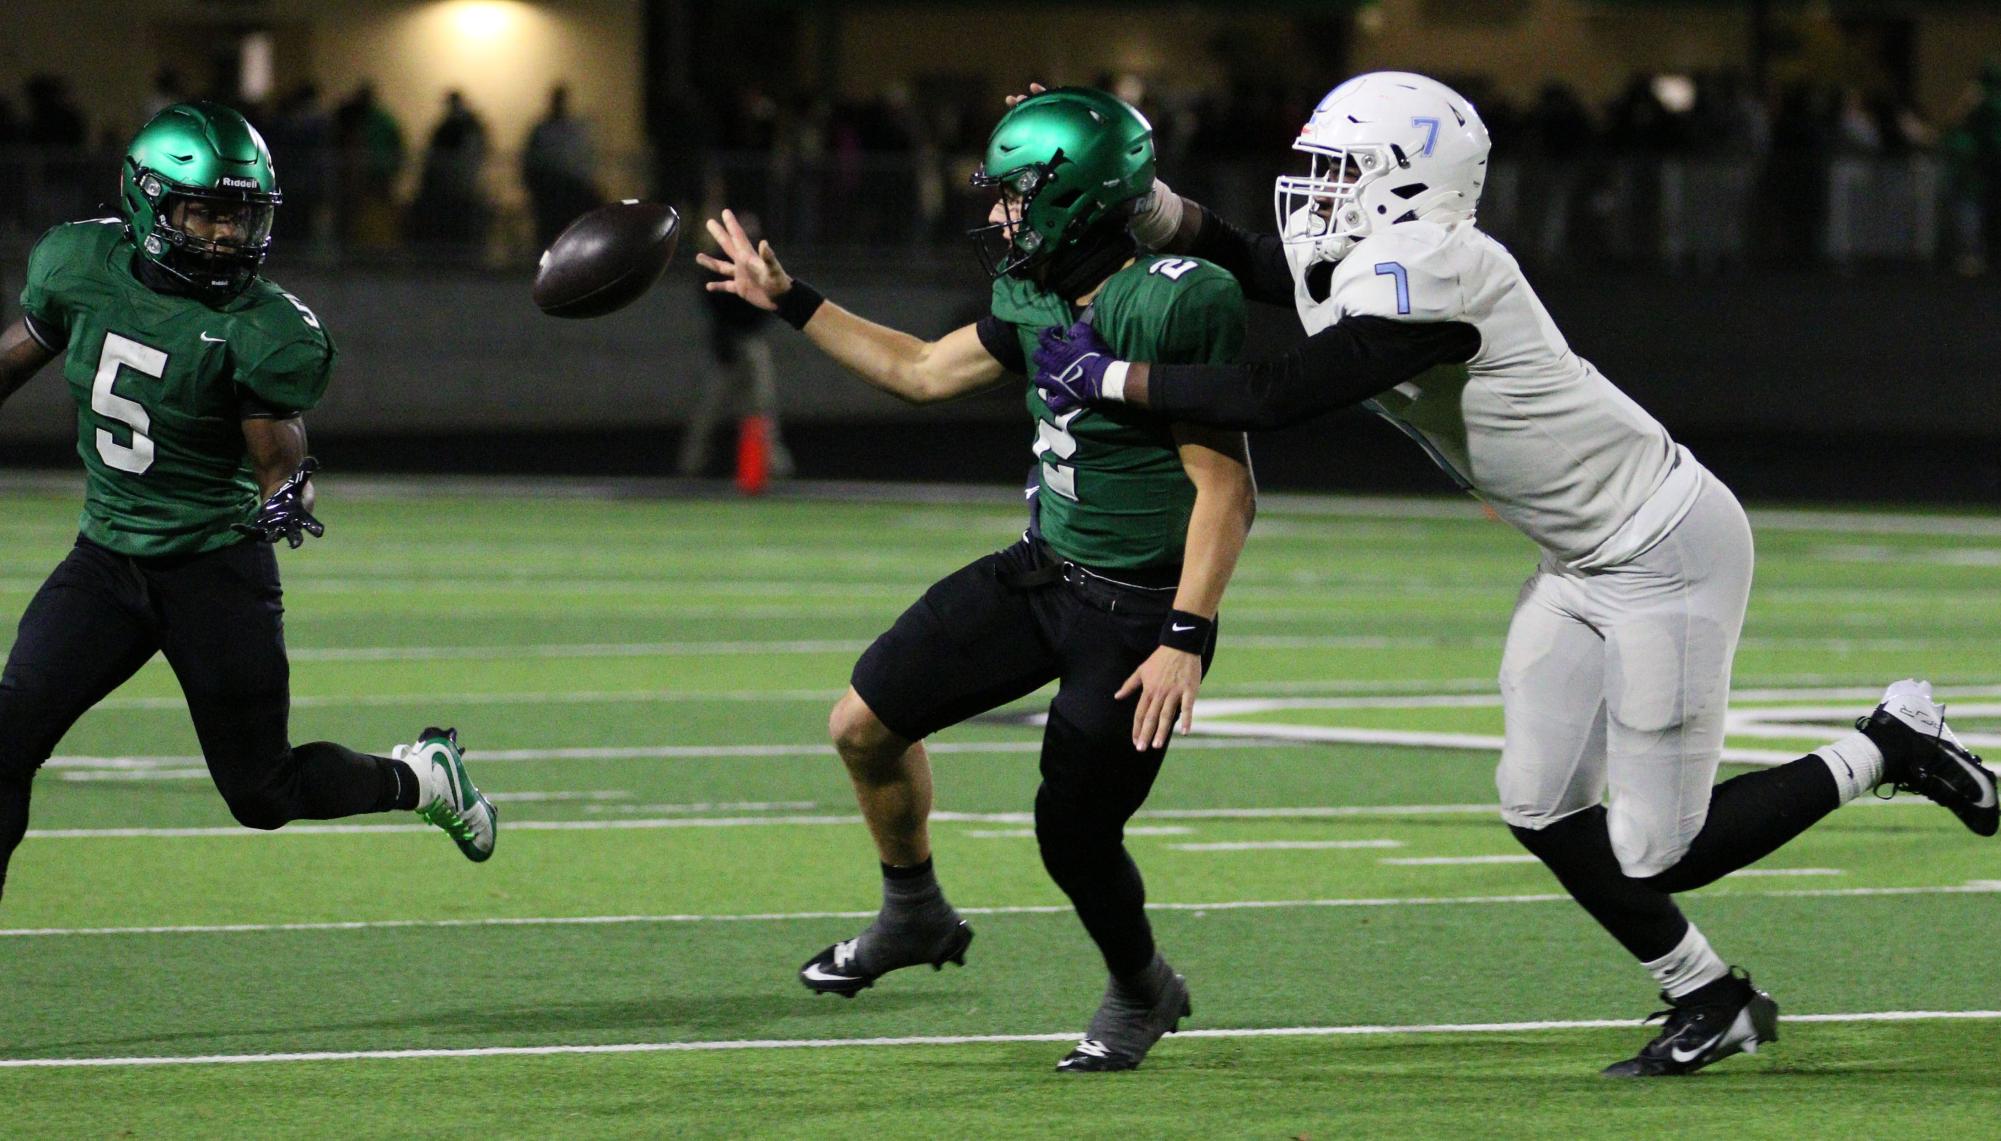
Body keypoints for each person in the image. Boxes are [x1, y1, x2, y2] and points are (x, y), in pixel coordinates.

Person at [1030, 72, 1998, 1077]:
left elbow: (1283, 393)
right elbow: (1262, 264)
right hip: (1582, 557)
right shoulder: (1379, 255)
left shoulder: (1437, 268)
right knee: (1540, 805)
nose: (1315, 189)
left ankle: (1890, 743)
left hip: (1663, 548)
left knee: (1663, 847)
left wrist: (1106, 378)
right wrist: (1142, 200)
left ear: (1406, 181)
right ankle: (1709, 993)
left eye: (1339, 169)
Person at [700, 87, 1255, 1073]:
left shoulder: (1174, 296)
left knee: (1073, 836)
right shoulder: (1040, 290)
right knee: (862, 724)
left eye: (1015, 194)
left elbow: (1227, 490)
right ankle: (913, 911)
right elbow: (918, 369)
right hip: (1043, 571)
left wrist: (1186, 637)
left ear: (1077, 200)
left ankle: (1143, 986)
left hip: (1135, 611)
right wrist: (790, 298)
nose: (997, 213)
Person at [0, 102, 498, 902]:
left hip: (215, 569)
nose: (228, 237)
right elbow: (18, 352)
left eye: (242, 216)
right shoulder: (79, 265)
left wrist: (286, 491)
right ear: (147, 202)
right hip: (107, 561)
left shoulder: (264, 326)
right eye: (206, 213)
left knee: (262, 794)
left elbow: (278, 446)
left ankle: (420, 778)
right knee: (5, 741)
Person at [678, 207, 794, 479]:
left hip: (751, 342)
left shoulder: (760, 265)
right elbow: (711, 300)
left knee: (762, 404)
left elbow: (773, 301)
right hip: (727, 344)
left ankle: (772, 460)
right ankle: (692, 461)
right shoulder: (719, 264)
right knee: (711, 405)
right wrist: (725, 335)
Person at [522, 85, 603, 249]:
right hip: (549, 190)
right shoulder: (542, 130)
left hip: (570, 189)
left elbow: (583, 159)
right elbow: (532, 161)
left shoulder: (573, 129)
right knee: (549, 233)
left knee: (567, 232)